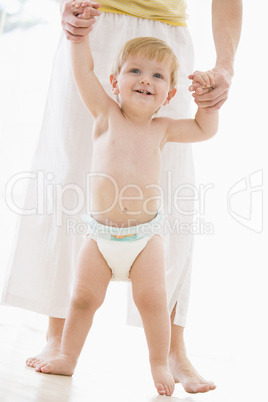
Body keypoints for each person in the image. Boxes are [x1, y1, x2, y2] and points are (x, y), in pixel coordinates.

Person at [1, 0, 242, 394]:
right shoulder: (104, 114)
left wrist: (208, 103)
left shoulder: (163, 128)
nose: (144, 80)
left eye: (155, 77)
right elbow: (84, 71)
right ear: (115, 83)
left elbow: (203, 129)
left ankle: (160, 363)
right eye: (133, 72)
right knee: (82, 299)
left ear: (169, 94)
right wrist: (78, 36)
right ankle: (65, 352)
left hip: (145, 242)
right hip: (100, 237)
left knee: (153, 302)